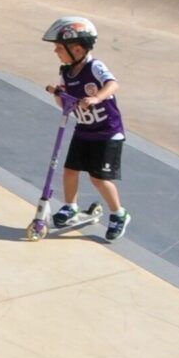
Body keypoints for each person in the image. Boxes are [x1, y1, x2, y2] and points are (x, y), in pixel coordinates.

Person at [41, 15, 130, 243]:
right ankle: (71, 207)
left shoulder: (95, 67)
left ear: (78, 49)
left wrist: (96, 98)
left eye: (59, 48)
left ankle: (119, 214)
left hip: (107, 132)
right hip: (84, 130)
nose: (56, 52)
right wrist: (59, 96)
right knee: (70, 170)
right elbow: (65, 106)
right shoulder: (65, 73)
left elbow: (113, 84)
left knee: (98, 178)